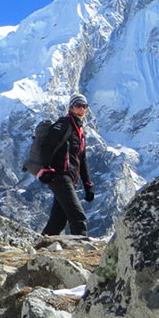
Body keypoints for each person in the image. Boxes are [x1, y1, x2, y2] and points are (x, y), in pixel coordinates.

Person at [37, 93, 95, 236]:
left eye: (84, 106)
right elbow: (46, 146)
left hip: (70, 179)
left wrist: (87, 185)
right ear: (71, 107)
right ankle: (82, 251)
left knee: (58, 222)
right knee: (78, 217)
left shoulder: (80, 131)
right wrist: (46, 168)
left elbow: (82, 160)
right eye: (78, 105)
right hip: (59, 176)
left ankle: (40, 247)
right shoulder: (64, 124)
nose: (81, 109)